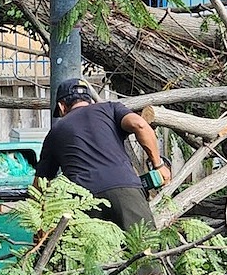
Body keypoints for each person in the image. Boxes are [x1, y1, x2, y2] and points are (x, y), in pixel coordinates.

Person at [34, 78, 170, 231]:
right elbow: (139, 124)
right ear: (90, 101)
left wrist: (39, 223)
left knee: (94, 253)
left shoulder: (55, 132)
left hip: (84, 200)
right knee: (143, 248)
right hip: (125, 191)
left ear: (61, 106)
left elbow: (41, 183)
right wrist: (158, 165)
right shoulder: (111, 109)